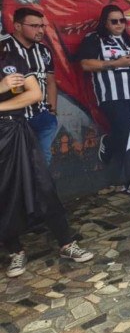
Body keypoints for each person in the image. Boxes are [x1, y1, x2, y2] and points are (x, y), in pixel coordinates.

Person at [1, 49, 93, 278]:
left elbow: (34, 94)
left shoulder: (9, 58)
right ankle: (15, 251)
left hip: (16, 131)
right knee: (2, 193)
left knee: (44, 186)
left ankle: (66, 242)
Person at [79, 4, 130, 196]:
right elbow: (85, 64)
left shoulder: (129, 40)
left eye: (122, 20)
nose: (119, 24)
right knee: (125, 132)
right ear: (105, 23)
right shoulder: (95, 39)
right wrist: (116, 63)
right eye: (114, 21)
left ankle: (129, 177)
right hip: (112, 95)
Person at [1, 8, 58, 165]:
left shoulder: (44, 51)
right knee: (17, 165)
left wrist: (52, 111)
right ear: (18, 26)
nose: (40, 30)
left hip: (41, 116)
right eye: (34, 26)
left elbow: (51, 81)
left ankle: (39, 190)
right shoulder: (4, 48)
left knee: (43, 161)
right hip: (14, 120)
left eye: (42, 26)